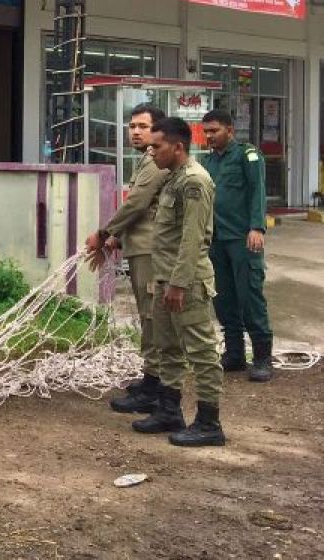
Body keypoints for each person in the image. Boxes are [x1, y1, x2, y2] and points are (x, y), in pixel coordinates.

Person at [131, 117, 225, 447]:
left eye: (158, 146)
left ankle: (209, 423)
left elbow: (193, 239)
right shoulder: (173, 179)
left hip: (186, 283)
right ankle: (169, 410)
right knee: (166, 346)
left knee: (200, 352)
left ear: (178, 147)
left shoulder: (194, 182)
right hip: (165, 279)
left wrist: (179, 284)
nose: (152, 151)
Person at [84, 104, 170, 414]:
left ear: (157, 130)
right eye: (131, 125)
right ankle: (152, 379)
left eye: (142, 126)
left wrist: (103, 232)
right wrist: (116, 238)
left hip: (151, 249)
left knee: (152, 317)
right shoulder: (147, 159)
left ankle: (156, 387)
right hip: (139, 246)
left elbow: (135, 205)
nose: (134, 131)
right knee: (148, 316)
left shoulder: (155, 162)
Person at [200, 109, 274, 383]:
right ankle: (234, 354)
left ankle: (263, 358)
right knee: (223, 297)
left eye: (214, 131)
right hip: (216, 240)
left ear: (230, 130)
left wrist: (257, 227)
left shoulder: (247, 155)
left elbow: (258, 190)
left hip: (243, 238)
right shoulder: (208, 162)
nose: (209, 136)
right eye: (206, 131)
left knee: (250, 295)